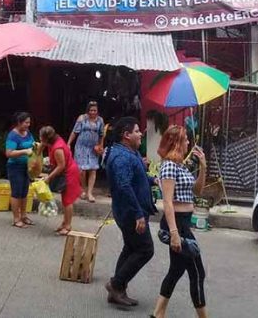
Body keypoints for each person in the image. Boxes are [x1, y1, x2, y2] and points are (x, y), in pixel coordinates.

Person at [151, 125, 208, 318]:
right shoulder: (168, 166)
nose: (189, 143)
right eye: (185, 140)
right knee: (197, 272)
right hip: (177, 225)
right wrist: (175, 234)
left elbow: (198, 191)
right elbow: (167, 202)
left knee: (176, 270)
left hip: (184, 223)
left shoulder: (180, 166)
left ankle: (158, 314)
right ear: (177, 143)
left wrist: (203, 167)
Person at [105, 116, 157, 308]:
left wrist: (153, 180)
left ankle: (118, 290)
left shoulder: (130, 152)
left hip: (133, 211)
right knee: (145, 249)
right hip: (129, 213)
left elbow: (137, 177)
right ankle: (116, 284)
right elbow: (124, 185)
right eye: (136, 131)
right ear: (126, 135)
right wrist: (138, 214)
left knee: (131, 248)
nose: (140, 133)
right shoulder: (121, 157)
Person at [39, 126, 83, 236]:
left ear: (46, 138)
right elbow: (41, 146)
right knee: (65, 200)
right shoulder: (54, 141)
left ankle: (67, 226)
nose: (40, 139)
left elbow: (61, 166)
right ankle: (64, 223)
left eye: (41, 137)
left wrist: (49, 178)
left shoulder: (57, 149)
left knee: (67, 201)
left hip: (69, 173)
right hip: (66, 171)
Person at [68, 101, 104, 203]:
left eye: (95, 110)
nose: (93, 112)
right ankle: (83, 189)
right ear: (88, 110)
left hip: (93, 148)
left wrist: (101, 146)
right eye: (91, 110)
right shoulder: (82, 118)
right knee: (82, 170)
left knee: (93, 169)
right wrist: (69, 143)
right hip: (81, 147)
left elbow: (102, 134)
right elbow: (75, 132)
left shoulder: (100, 120)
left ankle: (90, 192)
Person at [5, 112, 35, 228]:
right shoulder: (12, 136)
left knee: (24, 192)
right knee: (16, 193)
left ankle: (24, 215)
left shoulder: (28, 133)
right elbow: (9, 153)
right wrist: (24, 151)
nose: (28, 125)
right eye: (26, 122)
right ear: (19, 123)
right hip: (15, 167)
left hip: (26, 167)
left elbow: (32, 145)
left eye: (29, 122)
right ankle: (16, 218)